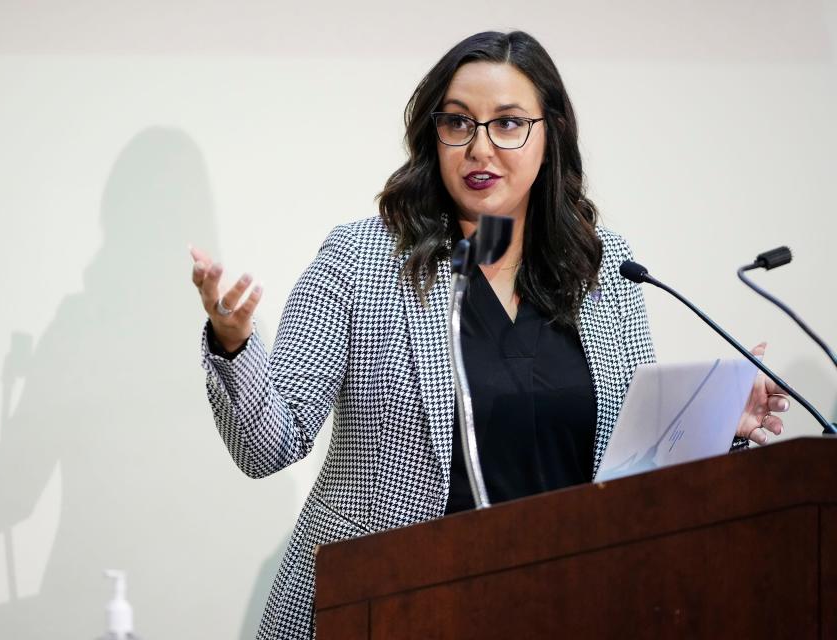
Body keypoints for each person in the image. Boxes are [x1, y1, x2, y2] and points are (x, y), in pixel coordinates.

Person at [188, 30, 790, 640]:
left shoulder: (604, 269)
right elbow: (268, 445)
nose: (480, 147)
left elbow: (634, 469)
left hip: (566, 606)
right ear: (435, 134)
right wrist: (234, 342)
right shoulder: (361, 260)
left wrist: (719, 426)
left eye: (507, 123)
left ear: (548, 133)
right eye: (459, 122)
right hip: (395, 607)